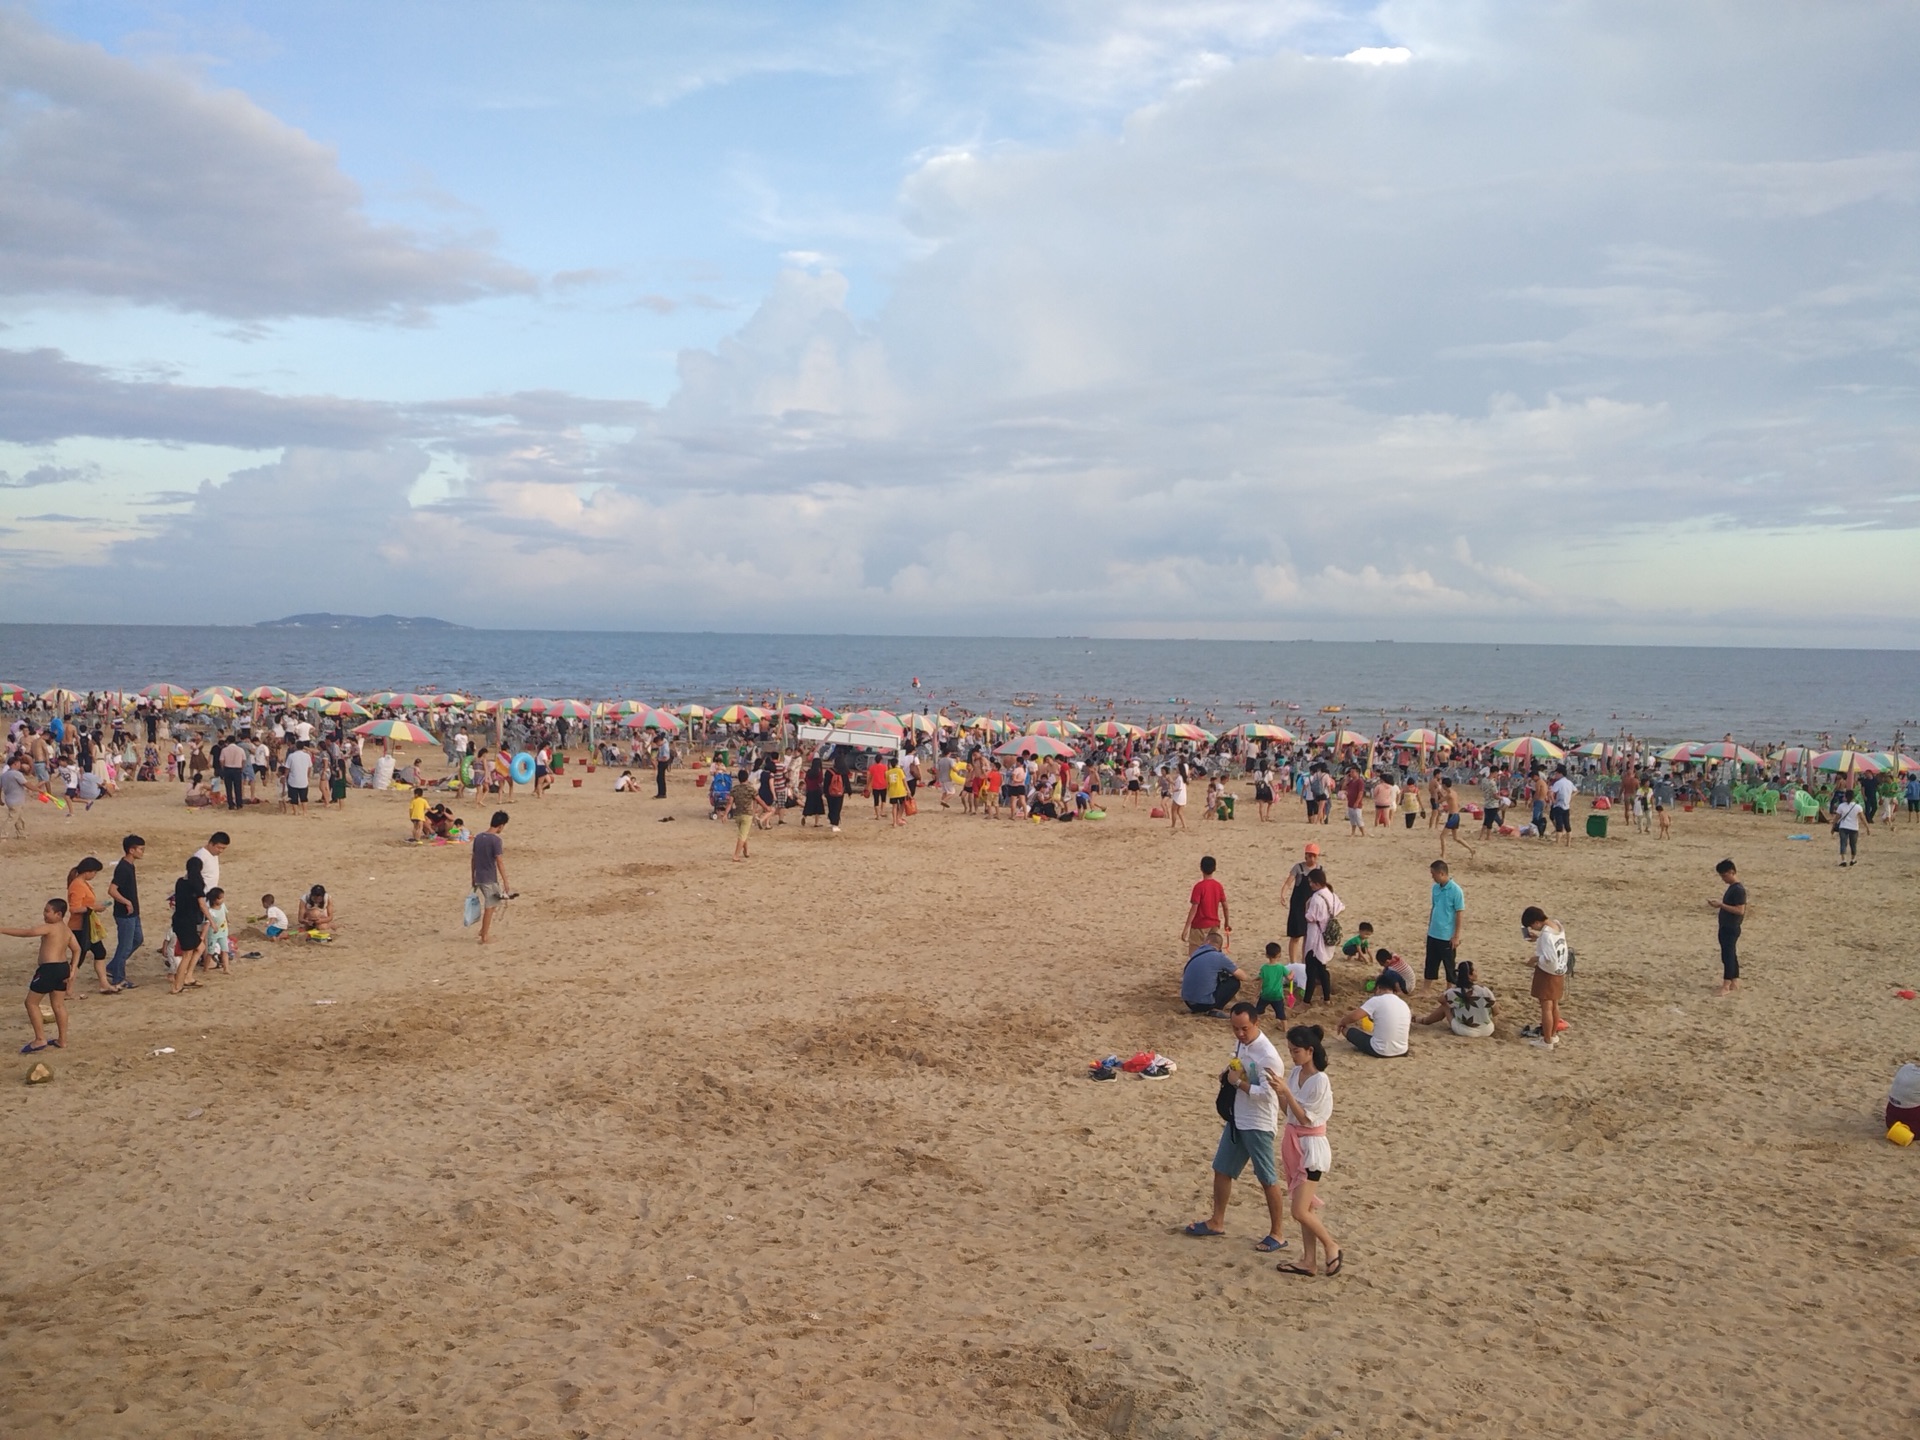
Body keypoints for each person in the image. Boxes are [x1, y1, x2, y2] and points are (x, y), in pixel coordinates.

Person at [1183, 1003, 1289, 1253]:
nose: (1240, 1033)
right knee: (1221, 1169)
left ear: (1256, 1024)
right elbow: (1238, 1065)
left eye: (1244, 1028)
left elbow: (1268, 1094)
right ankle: (1216, 1221)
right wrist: (1228, 1073)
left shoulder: (1268, 1056)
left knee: (1267, 1178)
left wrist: (1238, 1083)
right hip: (1238, 1118)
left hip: (1259, 1123)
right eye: (1235, 1028)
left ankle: (1278, 1233)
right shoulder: (1243, 1044)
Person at [1273, 1024, 1342, 1278]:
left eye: (1297, 1050)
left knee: (1299, 1210)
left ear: (1310, 1051)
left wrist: (1287, 1093)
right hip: (1296, 1144)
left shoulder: (1320, 1081)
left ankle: (1331, 1245)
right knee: (1305, 1209)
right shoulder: (1295, 1074)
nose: (1293, 1055)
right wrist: (1278, 1091)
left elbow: (1306, 1119)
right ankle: (1308, 1260)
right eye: (1290, 1051)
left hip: (1312, 1149)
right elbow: (1289, 1113)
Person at [7, 898, 77, 1052]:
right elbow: (76, 949)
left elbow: (28, 933)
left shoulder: (50, 928)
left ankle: (40, 1039)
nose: (44, 914)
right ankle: (62, 1040)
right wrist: (73, 969)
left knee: (31, 1003)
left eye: (47, 911)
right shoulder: (66, 930)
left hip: (49, 970)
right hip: (62, 968)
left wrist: (2, 929)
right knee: (58, 1005)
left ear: (58, 914)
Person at [1521, 905, 1569, 1050]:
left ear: (1536, 922)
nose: (1533, 929)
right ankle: (1552, 1035)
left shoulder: (1546, 935)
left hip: (1548, 973)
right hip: (1560, 970)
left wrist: (1535, 959)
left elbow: (1549, 958)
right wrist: (1539, 938)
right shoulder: (1556, 926)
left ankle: (1547, 1040)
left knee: (1546, 1007)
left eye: (1532, 926)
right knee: (1554, 1004)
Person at [1414, 959, 1496, 1038]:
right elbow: (1496, 1012)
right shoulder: (1484, 990)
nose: (1477, 973)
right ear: (1469, 975)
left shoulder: (1453, 992)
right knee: (1490, 1003)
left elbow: (1441, 1000)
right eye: (1475, 971)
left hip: (1465, 1031)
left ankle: (1424, 1021)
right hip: (1487, 1030)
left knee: (1445, 1006)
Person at [66, 857, 112, 994]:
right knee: (78, 959)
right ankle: (66, 989)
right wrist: (93, 908)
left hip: (87, 927)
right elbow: (74, 909)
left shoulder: (81, 883)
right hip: (80, 927)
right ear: (88, 872)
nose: (95, 875)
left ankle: (104, 984)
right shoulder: (78, 885)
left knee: (99, 952)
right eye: (94, 872)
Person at [1342, 969, 1411, 1056]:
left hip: (1380, 1050)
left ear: (1378, 988)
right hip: (1403, 1050)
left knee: (1346, 1030)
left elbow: (1354, 1017)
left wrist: (1342, 1022)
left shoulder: (1376, 1000)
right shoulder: (1403, 1003)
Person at [1301, 868, 1343, 1007]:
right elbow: (1340, 908)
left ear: (1317, 883)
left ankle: (1307, 1000)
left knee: (1311, 971)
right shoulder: (1331, 895)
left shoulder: (1316, 898)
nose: (1310, 885)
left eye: (1311, 882)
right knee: (1322, 969)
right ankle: (1326, 998)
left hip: (1316, 938)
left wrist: (1306, 908)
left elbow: (1310, 917)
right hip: (1327, 935)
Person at [107, 834, 144, 990]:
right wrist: (127, 902)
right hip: (125, 914)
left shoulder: (129, 865)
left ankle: (113, 967)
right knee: (125, 946)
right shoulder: (123, 868)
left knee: (137, 939)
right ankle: (118, 979)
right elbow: (112, 890)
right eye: (140, 849)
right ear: (131, 850)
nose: (142, 852)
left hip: (132, 914)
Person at [168, 855, 210, 993]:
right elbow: (202, 905)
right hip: (187, 922)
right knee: (187, 954)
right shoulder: (197, 884)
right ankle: (177, 986)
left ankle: (189, 977)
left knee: (200, 947)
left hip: (179, 920)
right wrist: (212, 922)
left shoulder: (180, 882)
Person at [1424, 859, 1465, 992]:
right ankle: (1426, 990)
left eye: (1433, 874)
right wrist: (1429, 927)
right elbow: (1434, 907)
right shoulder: (1435, 888)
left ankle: (1449, 991)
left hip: (1446, 935)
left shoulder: (1456, 890)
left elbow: (1459, 913)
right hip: (1433, 932)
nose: (1432, 877)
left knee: (1449, 965)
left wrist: (1456, 936)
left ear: (1441, 873)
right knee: (1430, 963)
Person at [471, 810, 510, 944]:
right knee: (490, 905)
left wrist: (473, 876)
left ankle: (483, 930)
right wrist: (505, 880)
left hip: (480, 876)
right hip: (489, 877)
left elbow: (473, 859)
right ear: (501, 825)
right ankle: (484, 936)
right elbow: (499, 861)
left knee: (493, 904)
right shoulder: (496, 840)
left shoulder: (478, 837)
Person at [1180, 939, 1245, 1017]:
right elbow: (1242, 976)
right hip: (1204, 1004)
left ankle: (1198, 1006)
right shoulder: (1219, 956)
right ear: (1219, 947)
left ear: (1207, 942)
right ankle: (1216, 1009)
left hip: (1188, 1001)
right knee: (1234, 982)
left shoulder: (1196, 952)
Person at [1710, 858, 1747, 996]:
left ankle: (1726, 985)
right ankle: (1734, 981)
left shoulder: (1738, 890)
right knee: (1731, 954)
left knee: (1727, 955)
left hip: (1731, 927)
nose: (1723, 879)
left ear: (1732, 872)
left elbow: (1740, 910)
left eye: (1725, 875)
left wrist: (1721, 905)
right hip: (1728, 926)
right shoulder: (1734, 888)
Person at [1281, 843, 1320, 967]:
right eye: (1310, 856)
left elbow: (1323, 887)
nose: (1312, 858)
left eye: (1314, 856)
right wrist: (1283, 894)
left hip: (1312, 907)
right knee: (1296, 935)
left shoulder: (1319, 870)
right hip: (1298, 906)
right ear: (1305, 856)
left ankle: (1304, 962)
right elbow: (1288, 883)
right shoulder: (1298, 868)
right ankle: (1293, 963)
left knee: (1308, 937)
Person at [1184, 855, 1230, 951]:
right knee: (1212, 951)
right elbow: (1225, 906)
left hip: (1199, 925)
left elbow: (1194, 908)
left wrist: (1186, 928)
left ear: (1201, 868)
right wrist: (1226, 922)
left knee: (1195, 953)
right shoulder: (1218, 886)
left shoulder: (1199, 887)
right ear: (1214, 868)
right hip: (1213, 924)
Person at [1253, 941, 1301, 1021]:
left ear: (1266, 955)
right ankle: (1284, 1028)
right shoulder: (1281, 967)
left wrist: (1256, 993)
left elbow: (1261, 981)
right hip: (1277, 995)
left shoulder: (1264, 968)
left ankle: (1255, 1023)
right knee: (1281, 1014)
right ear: (1279, 955)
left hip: (1265, 995)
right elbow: (1289, 978)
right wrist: (1292, 973)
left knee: (1258, 1011)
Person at [3, 753, 44, 838]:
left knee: (19, 818)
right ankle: (3, 834)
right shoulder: (17, 774)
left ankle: (21, 834)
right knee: (12, 818)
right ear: (15, 764)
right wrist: (38, 790)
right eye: (19, 763)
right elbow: (26, 784)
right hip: (16, 800)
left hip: (9, 799)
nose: (20, 765)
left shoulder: (4, 775)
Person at [1438, 777, 1473, 859]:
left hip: (1453, 816)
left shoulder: (1449, 795)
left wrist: (1438, 794)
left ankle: (1443, 854)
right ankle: (1471, 849)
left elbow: (1439, 801)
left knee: (1442, 836)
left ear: (1444, 785)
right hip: (1456, 816)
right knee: (1456, 838)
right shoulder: (1453, 793)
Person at [730, 768, 761, 860]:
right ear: (747, 778)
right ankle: (736, 855)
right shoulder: (750, 789)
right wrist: (767, 808)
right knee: (742, 835)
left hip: (737, 814)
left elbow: (729, 802)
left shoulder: (734, 789)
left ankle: (746, 851)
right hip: (747, 814)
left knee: (743, 833)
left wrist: (725, 813)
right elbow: (759, 800)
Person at [203, 887, 232, 972]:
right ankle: (206, 967)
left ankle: (226, 968)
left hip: (223, 932)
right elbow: (207, 924)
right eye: (220, 898)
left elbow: (225, 914)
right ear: (214, 899)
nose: (222, 900)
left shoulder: (223, 906)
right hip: (213, 935)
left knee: (225, 950)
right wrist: (203, 935)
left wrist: (228, 920)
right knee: (210, 952)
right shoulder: (210, 911)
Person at [1833, 787, 1864, 866]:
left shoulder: (1841, 806)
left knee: (1843, 843)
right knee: (1853, 844)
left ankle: (1843, 860)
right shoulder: (1858, 807)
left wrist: (1833, 826)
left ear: (1845, 797)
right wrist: (1867, 827)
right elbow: (1862, 818)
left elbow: (1837, 817)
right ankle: (1853, 859)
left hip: (1843, 827)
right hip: (1854, 827)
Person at [1549, 767, 1576, 846]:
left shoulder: (1558, 783)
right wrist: (1570, 797)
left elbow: (1551, 792)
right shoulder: (1569, 782)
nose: (1555, 775)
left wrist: (1553, 801)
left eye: (1556, 773)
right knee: (1567, 825)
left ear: (1560, 773)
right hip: (1566, 805)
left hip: (1559, 805)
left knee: (1559, 825)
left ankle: (1557, 842)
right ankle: (1568, 843)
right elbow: (1576, 790)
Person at [218, 735, 246, 810]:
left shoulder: (224, 750)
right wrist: (241, 768)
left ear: (228, 741)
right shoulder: (240, 750)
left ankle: (231, 804)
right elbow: (243, 760)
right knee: (238, 788)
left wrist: (223, 768)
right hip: (237, 769)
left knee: (229, 788)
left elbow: (221, 761)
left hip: (228, 768)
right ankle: (239, 804)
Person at [284, 742, 312, 814]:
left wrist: (285, 776)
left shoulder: (291, 756)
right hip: (303, 779)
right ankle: (305, 811)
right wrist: (308, 776)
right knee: (304, 797)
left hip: (293, 780)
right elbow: (309, 768)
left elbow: (287, 768)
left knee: (293, 797)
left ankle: (296, 811)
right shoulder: (307, 756)